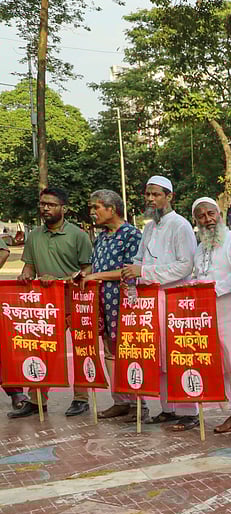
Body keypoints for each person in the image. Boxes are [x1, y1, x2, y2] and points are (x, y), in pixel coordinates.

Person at [120, 175, 199, 431]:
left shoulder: (181, 225)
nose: (151, 199)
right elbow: (140, 257)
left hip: (174, 298)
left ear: (169, 196)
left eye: (156, 194)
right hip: (150, 299)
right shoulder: (150, 227)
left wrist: (143, 272)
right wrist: (131, 275)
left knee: (177, 354)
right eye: (148, 194)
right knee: (159, 356)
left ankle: (188, 411)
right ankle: (168, 408)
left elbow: (185, 265)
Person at [8, 186, 94, 419]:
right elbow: (30, 265)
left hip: (74, 299)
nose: (46, 208)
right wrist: (26, 274)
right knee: (40, 349)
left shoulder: (78, 235)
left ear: (63, 208)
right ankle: (36, 400)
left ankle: (81, 398)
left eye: (51, 204)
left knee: (81, 349)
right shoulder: (34, 235)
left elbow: (87, 270)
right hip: (45, 303)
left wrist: (59, 280)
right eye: (43, 204)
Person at [189, 197, 231, 440]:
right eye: (201, 216)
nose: (207, 220)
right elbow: (197, 274)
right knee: (226, 367)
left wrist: (213, 290)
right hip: (211, 316)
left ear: (220, 214)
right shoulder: (200, 247)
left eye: (210, 214)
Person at [82, 190, 144, 420]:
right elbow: (95, 266)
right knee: (109, 351)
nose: (92, 213)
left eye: (96, 208)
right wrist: (84, 274)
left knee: (130, 351)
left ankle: (139, 404)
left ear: (112, 209)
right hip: (103, 303)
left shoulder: (131, 235)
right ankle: (120, 401)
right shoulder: (102, 237)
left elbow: (128, 271)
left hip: (124, 302)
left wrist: (95, 277)